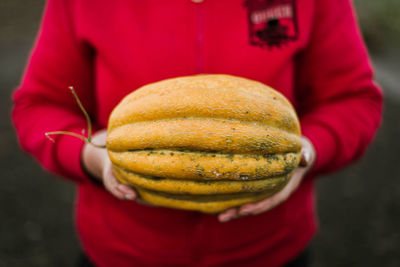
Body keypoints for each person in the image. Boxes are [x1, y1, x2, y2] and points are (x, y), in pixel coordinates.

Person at [12, 0, 383, 266]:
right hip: (124, 254)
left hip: (269, 251)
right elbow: (37, 108)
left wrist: (307, 151)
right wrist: (91, 155)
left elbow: (354, 99)